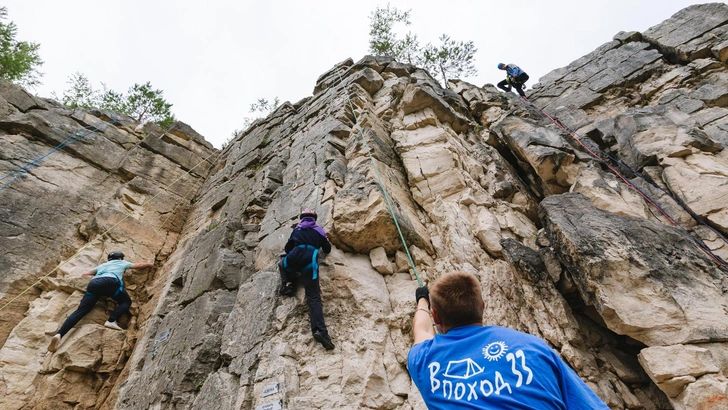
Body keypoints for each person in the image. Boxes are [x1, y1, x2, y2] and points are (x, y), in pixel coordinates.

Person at [408, 271, 609, 409]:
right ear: (483, 306)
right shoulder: (534, 347)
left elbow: (422, 330)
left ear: (435, 317)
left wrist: (422, 300)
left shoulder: (424, 360)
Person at [47, 251, 153, 353]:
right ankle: (111, 321)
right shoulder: (121, 262)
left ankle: (59, 334)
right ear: (120, 258)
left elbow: (85, 274)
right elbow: (139, 265)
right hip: (110, 282)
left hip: (94, 284)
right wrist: (149, 264)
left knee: (81, 311)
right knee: (125, 302)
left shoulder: (102, 265)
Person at [279, 208, 334, 350]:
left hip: (294, 258)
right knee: (313, 298)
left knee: (282, 264)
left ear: (302, 218)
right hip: (309, 264)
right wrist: (324, 240)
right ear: (314, 218)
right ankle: (320, 331)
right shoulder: (320, 231)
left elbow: (287, 248)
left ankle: (288, 284)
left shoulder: (297, 230)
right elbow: (327, 249)